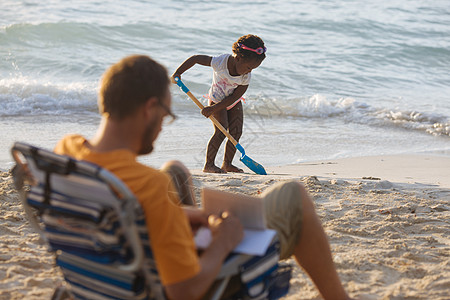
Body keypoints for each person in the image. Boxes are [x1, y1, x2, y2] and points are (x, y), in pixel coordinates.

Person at [54, 54, 351, 300]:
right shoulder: (148, 185)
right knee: (293, 196)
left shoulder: (67, 153)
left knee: (175, 171)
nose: (161, 127)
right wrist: (224, 242)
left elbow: (131, 214)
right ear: (149, 110)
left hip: (108, 274)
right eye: (165, 115)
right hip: (176, 284)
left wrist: (184, 217)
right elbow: (183, 291)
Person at [171, 34, 266, 174]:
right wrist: (178, 73)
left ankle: (227, 164)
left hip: (232, 102)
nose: (249, 71)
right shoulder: (220, 62)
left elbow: (234, 97)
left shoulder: (246, 77)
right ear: (238, 58)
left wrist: (214, 109)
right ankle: (209, 165)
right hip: (216, 99)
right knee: (221, 132)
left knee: (236, 133)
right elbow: (196, 59)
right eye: (248, 67)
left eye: (253, 69)